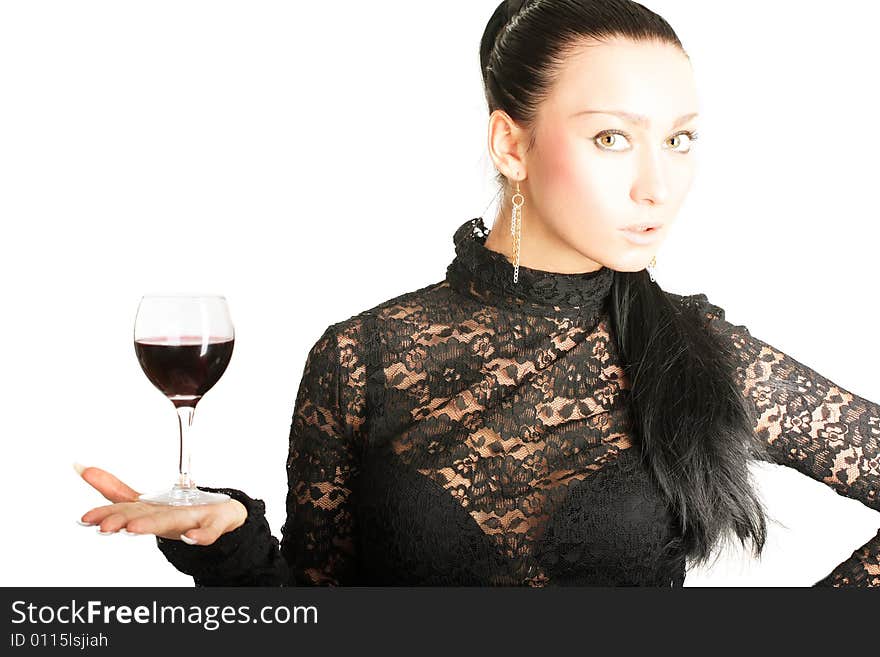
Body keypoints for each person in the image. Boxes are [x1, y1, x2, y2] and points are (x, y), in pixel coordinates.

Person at [76, 0, 879, 587]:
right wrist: (230, 546)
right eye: (612, 137)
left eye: (679, 139)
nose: (657, 184)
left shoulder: (697, 352)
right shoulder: (363, 356)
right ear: (511, 143)